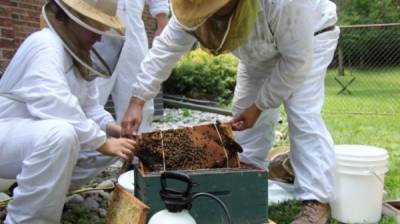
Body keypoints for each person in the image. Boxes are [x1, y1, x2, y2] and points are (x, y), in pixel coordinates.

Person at [121, 0, 340, 223]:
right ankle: (246, 185)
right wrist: (137, 100)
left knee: (302, 113)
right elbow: (164, 50)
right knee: (244, 129)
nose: (209, 18)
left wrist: (259, 106)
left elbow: (296, 62)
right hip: (258, 51)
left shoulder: (284, 4)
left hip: (310, 37)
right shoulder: (192, 6)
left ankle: (317, 201)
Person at [0, 0, 138, 223]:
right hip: (6, 138)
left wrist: (116, 132)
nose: (100, 36)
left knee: (109, 147)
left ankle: (38, 193)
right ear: (75, 18)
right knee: (61, 135)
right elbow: (51, 101)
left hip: (30, 144)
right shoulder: (44, 43)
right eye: (96, 26)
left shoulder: (81, 57)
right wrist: (102, 142)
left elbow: (91, 109)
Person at [93, 0, 169, 132]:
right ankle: (81, 147)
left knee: (137, 90)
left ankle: (136, 145)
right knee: (93, 90)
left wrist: (162, 23)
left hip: (134, 28)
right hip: (98, 22)